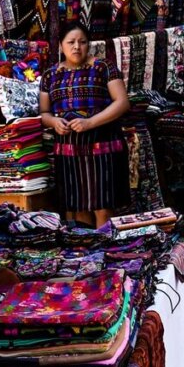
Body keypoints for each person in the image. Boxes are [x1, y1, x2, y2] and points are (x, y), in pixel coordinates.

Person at [39, 23, 130, 228]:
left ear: (88, 44)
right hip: (69, 152)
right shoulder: (49, 76)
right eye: (71, 42)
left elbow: (122, 102)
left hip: (102, 149)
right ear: (61, 45)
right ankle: (86, 255)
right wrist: (54, 122)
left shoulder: (104, 67)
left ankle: (106, 253)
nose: (76, 47)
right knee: (77, 206)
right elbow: (44, 113)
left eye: (82, 42)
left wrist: (90, 122)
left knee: (103, 207)